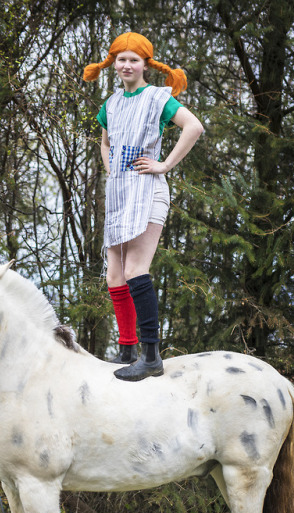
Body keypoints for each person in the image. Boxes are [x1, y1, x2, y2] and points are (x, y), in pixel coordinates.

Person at [83, 32, 204, 381]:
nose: (126, 65)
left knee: (135, 269)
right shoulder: (111, 103)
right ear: (113, 63)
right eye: (120, 59)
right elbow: (105, 142)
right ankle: (127, 350)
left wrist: (164, 165)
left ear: (145, 64)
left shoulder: (156, 99)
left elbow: (193, 127)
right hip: (119, 193)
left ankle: (151, 356)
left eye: (133, 59)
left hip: (148, 191)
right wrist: (110, 165)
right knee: (115, 275)